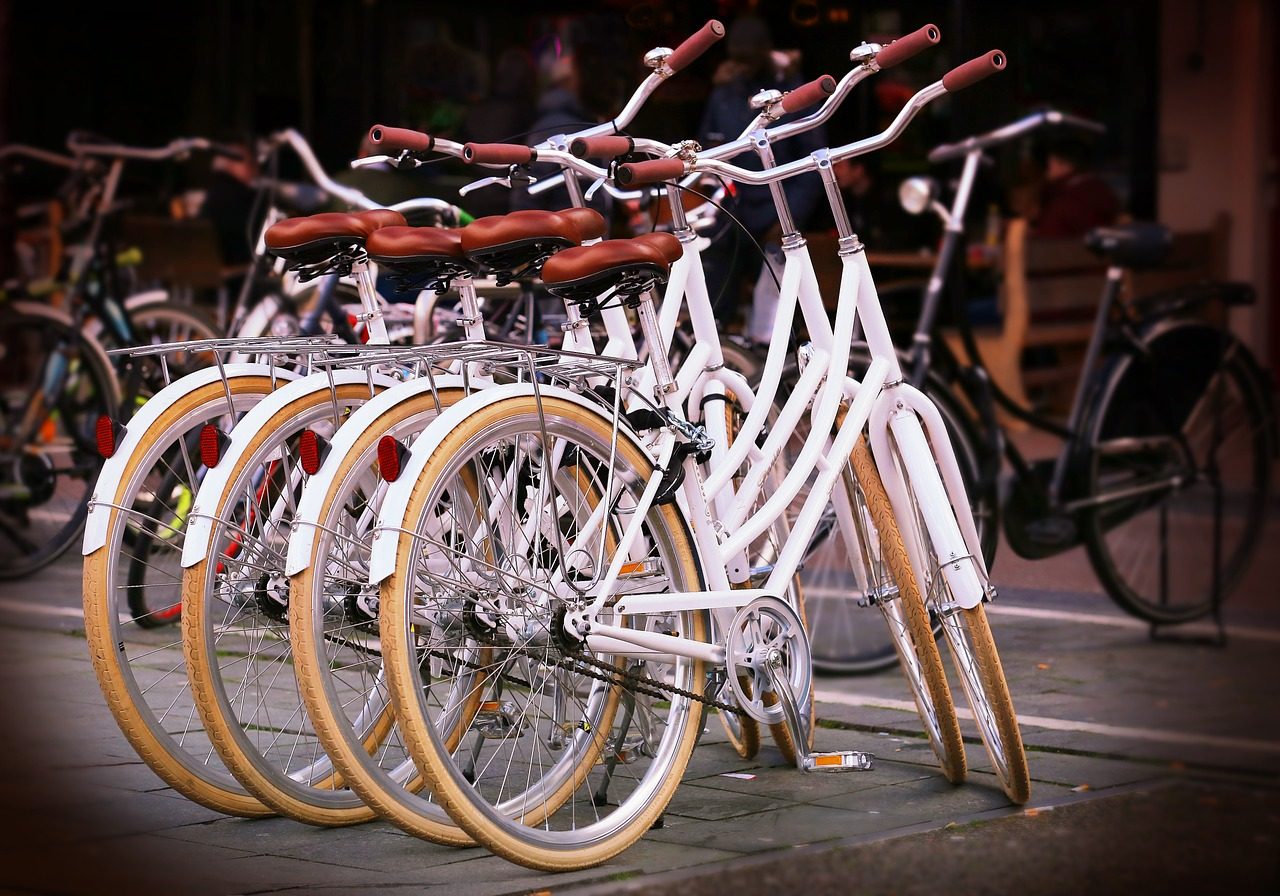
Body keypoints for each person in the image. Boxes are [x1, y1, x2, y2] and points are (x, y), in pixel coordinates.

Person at [695, 15, 827, 331]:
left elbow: (813, 162)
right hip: (731, 213)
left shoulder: (794, 93)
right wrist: (713, 208)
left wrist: (788, 217)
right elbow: (706, 152)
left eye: (749, 58)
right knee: (715, 310)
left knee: (780, 318)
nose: (744, 66)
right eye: (737, 59)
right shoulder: (724, 93)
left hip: (777, 214)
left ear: (765, 51)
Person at [1029, 134, 1121, 238]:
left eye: (1050, 164)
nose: (1046, 170)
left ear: (1065, 165)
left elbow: (1046, 237)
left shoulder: (1065, 200)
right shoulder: (1100, 190)